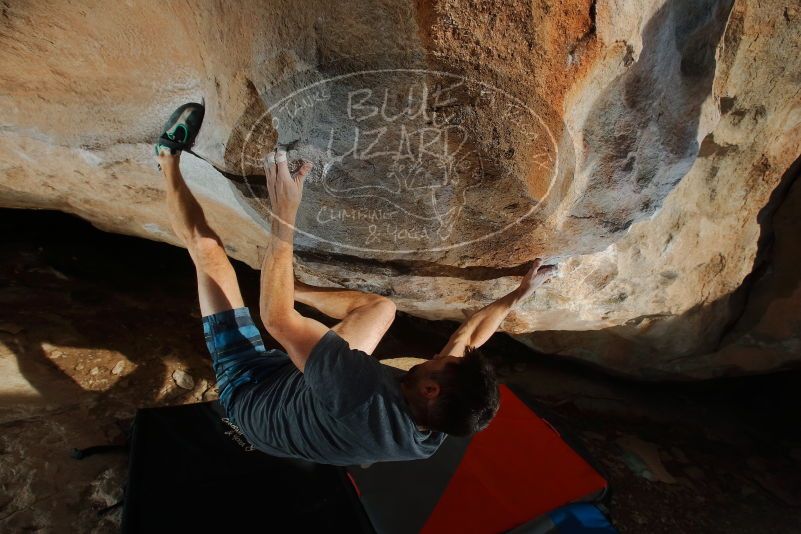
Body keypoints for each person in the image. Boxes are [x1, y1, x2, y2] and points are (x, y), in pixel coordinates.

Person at [154, 103, 558, 466]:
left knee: (208, 251)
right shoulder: (432, 430)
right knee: (381, 310)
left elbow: (275, 321)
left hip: (250, 390)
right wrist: (517, 295)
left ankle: (166, 159)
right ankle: (286, 284)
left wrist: (284, 217)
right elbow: (468, 336)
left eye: (441, 364)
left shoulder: (357, 392)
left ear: (432, 389)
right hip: (308, 405)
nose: (441, 354)